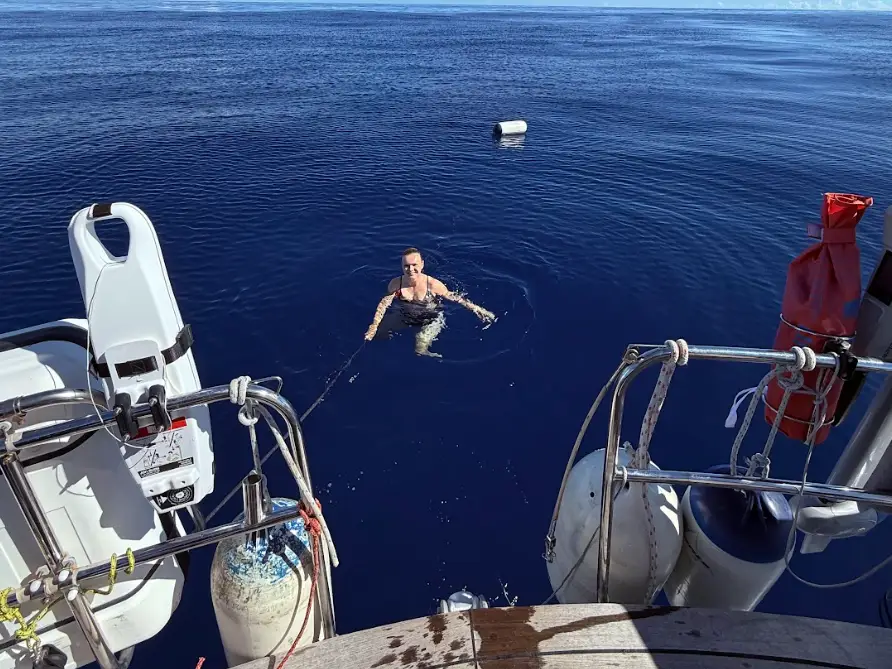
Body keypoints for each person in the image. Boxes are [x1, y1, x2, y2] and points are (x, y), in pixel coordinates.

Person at [364, 247, 496, 357]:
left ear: (422, 264)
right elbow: (384, 303)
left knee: (419, 349)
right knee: (378, 333)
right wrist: (374, 325)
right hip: (404, 315)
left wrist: (477, 309)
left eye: (414, 265)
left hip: (430, 318)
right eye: (406, 266)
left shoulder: (433, 284)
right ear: (402, 266)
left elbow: (454, 297)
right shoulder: (395, 284)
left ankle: (432, 355)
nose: (410, 269)